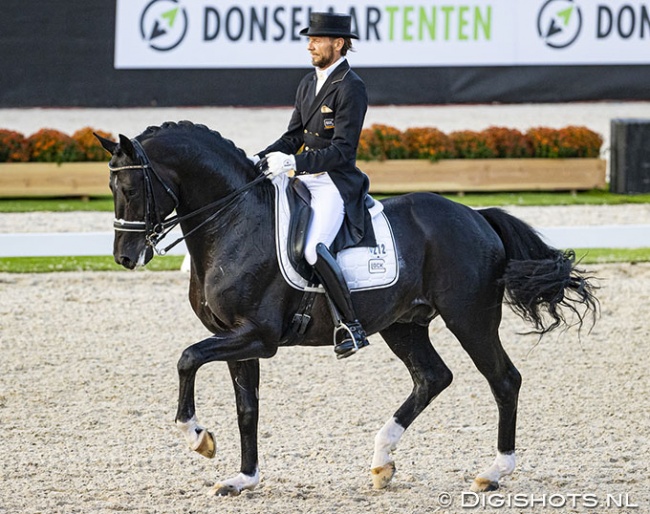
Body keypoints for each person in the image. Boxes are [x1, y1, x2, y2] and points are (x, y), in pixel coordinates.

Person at [254, 12, 375, 359]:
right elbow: (293, 136)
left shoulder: (351, 87)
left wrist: (294, 163)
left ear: (338, 44)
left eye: (317, 40)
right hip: (306, 178)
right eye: (309, 39)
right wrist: (261, 158)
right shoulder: (309, 82)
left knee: (312, 248)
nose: (310, 45)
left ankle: (350, 326)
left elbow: (342, 151)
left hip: (334, 184)